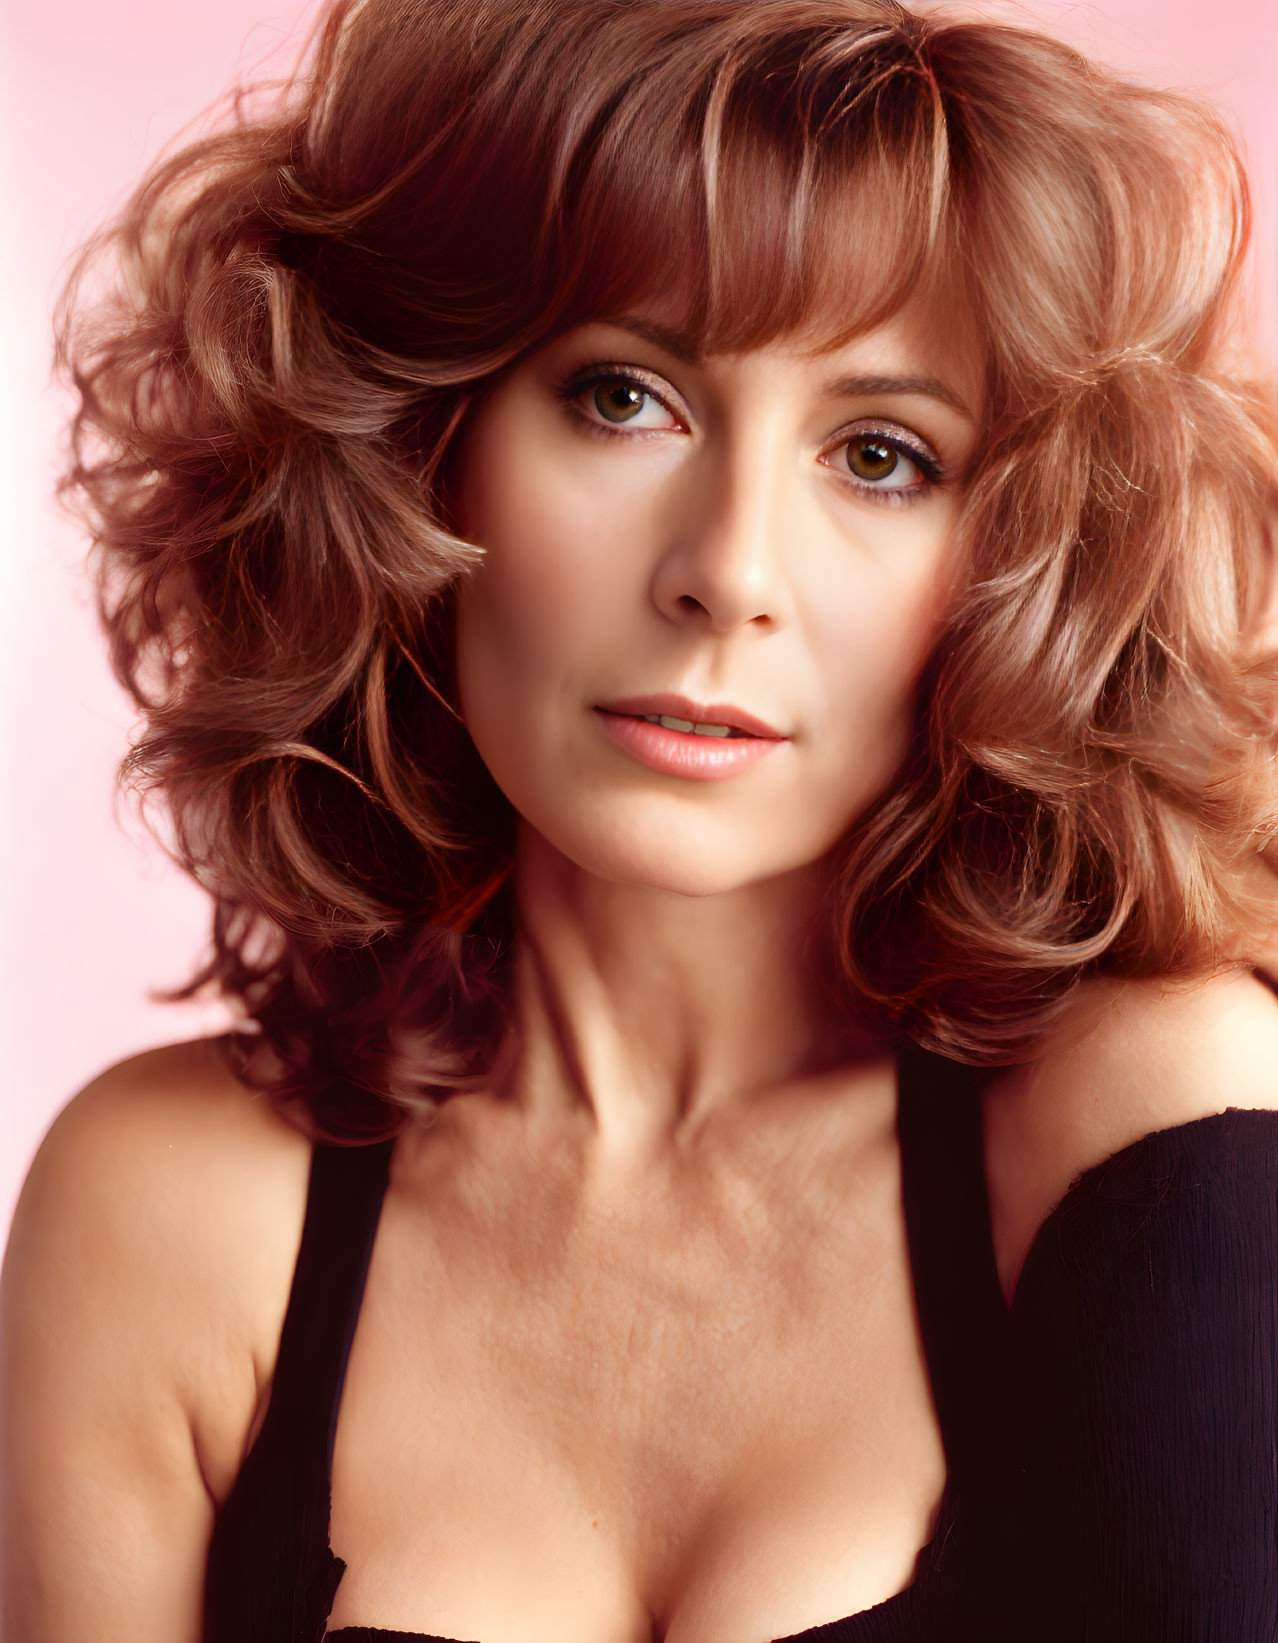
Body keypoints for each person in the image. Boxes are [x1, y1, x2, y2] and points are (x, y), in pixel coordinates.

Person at [4, 0, 1278, 1637]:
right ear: (417, 451)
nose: (728, 573)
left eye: (880, 455)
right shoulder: (170, 1217)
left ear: (1014, 567)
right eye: (623, 398)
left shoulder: (1149, 1130)